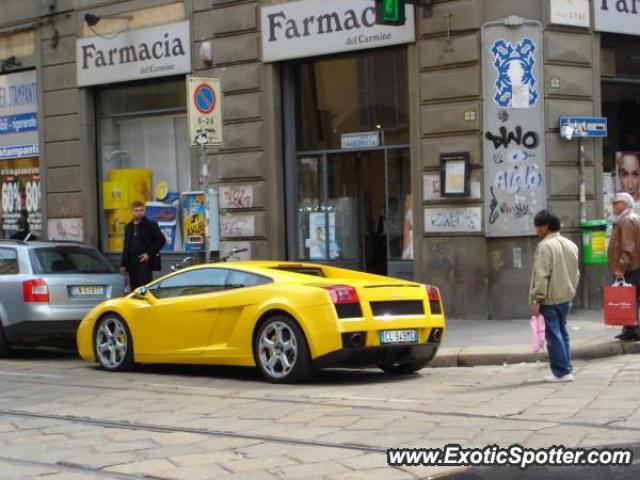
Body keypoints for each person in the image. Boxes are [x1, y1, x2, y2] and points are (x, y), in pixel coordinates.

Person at [529, 209, 580, 383]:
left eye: (538, 226)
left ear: (546, 227)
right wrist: (571, 290)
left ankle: (561, 371)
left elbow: (541, 275)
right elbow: (576, 273)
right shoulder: (570, 244)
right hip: (566, 297)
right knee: (562, 333)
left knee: (553, 335)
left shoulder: (545, 246)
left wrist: (537, 299)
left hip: (550, 298)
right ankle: (566, 368)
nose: (536, 230)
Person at [607, 192, 640, 341]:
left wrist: (621, 268)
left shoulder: (626, 220)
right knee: (631, 298)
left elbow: (628, 248)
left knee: (629, 299)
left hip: (629, 267)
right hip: (634, 266)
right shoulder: (632, 218)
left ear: (624, 204)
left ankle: (633, 329)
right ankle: (629, 329)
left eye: (616, 203)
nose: (613, 205)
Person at [120, 201, 166, 290]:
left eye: (141, 210)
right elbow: (126, 246)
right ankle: (136, 303)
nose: (139, 213)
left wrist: (149, 253)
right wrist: (123, 264)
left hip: (144, 262)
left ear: (144, 211)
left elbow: (161, 240)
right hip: (131, 262)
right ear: (132, 212)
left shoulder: (150, 225)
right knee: (134, 287)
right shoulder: (128, 227)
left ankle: (144, 303)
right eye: (136, 211)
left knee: (144, 287)